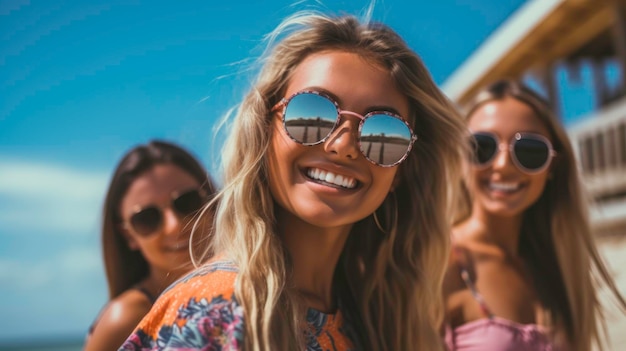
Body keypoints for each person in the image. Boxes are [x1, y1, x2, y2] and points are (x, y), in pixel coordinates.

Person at [119, 12, 466, 351]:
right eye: (311, 114)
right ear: (263, 130)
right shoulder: (215, 311)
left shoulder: (376, 320)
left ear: (401, 171)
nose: (343, 145)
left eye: (383, 134)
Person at [442, 80, 626, 351]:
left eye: (529, 151)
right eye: (482, 147)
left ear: (554, 164)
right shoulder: (438, 262)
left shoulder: (558, 265)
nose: (503, 165)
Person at [84, 140, 217, 351]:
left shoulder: (255, 283)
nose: (173, 225)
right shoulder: (125, 319)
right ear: (129, 236)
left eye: (186, 202)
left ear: (211, 201)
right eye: (147, 218)